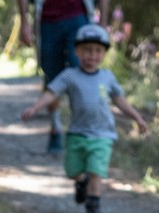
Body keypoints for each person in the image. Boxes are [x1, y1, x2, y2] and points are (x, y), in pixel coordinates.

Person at [20, 25, 148, 213]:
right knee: (73, 171)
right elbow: (52, 93)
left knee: (96, 171)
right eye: (87, 50)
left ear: (104, 53)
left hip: (103, 135)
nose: (92, 55)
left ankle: (93, 208)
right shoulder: (70, 76)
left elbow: (119, 100)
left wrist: (137, 118)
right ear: (77, 51)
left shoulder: (107, 77)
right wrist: (35, 108)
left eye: (98, 51)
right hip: (77, 134)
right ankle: (81, 183)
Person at [17, 0, 110, 153]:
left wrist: (103, 22)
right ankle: (55, 127)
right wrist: (24, 22)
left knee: (83, 75)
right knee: (52, 79)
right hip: (47, 19)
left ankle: (86, 132)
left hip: (79, 17)